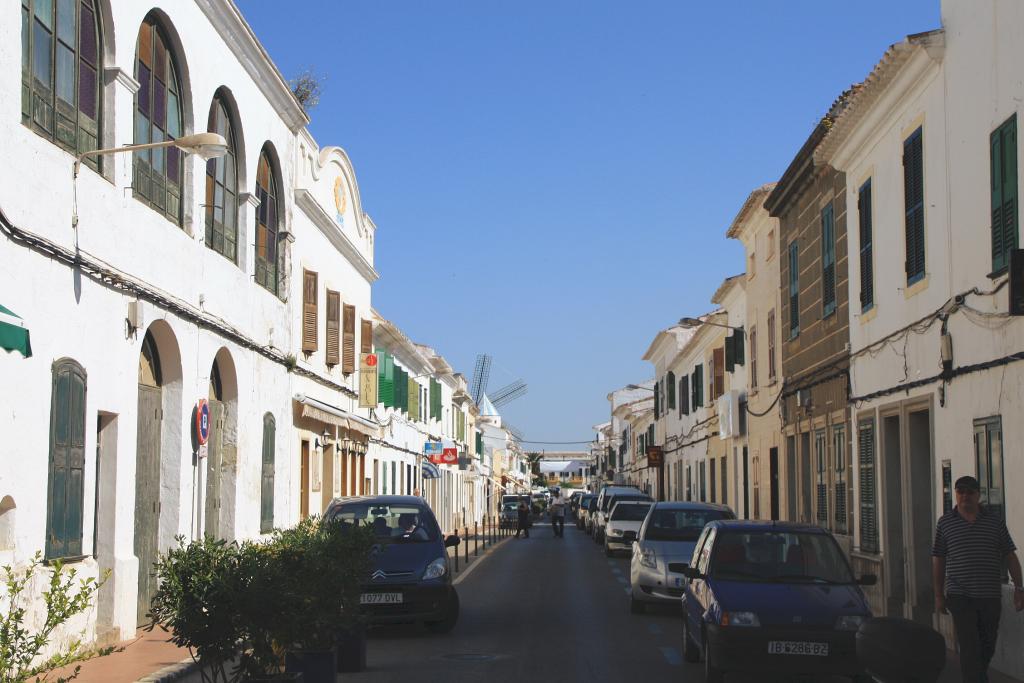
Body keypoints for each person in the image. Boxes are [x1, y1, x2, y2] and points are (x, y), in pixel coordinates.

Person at [932, 475, 1023, 683]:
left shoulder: (994, 521)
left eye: (970, 492)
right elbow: (938, 558)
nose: (965, 496)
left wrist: (1019, 588)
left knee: (987, 644)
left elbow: (1010, 555)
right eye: (960, 491)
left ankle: (978, 677)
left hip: (989, 595)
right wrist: (938, 594)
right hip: (959, 594)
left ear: (978, 495)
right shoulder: (945, 523)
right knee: (970, 645)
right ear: (955, 494)